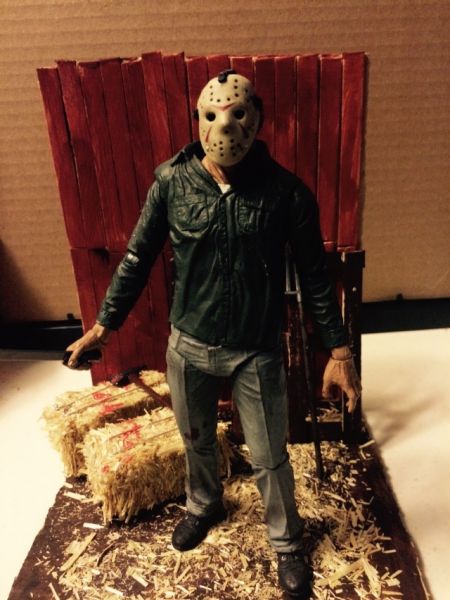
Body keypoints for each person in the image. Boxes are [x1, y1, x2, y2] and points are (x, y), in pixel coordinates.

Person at [66, 69, 361, 599]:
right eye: (212, 115)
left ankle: (286, 541)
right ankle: (204, 504)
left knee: (269, 455)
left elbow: (315, 275)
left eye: (238, 114)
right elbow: (137, 258)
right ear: (198, 121)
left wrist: (338, 351)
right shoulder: (171, 183)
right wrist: (104, 326)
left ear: (257, 120)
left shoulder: (286, 194)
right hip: (189, 345)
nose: (225, 127)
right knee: (197, 438)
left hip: (255, 350)